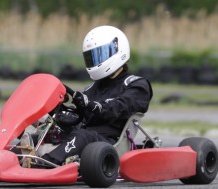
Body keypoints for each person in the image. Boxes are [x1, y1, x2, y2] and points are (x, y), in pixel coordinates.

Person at [40, 25, 153, 165]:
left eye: (100, 54)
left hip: (110, 144)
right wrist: (61, 114)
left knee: (82, 136)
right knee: (44, 135)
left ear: (117, 49)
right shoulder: (92, 88)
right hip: (84, 137)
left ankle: (47, 163)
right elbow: (81, 118)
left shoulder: (136, 85)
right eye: (91, 56)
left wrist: (91, 105)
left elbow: (119, 108)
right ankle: (13, 158)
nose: (95, 60)